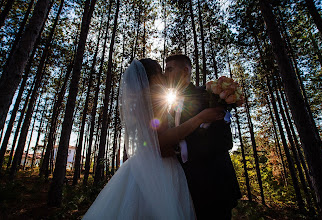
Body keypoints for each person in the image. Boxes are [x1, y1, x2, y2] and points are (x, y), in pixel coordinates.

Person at [83, 58, 224, 219]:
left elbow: (152, 138)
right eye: (160, 71)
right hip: (160, 169)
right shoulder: (154, 100)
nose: (164, 75)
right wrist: (199, 118)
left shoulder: (143, 101)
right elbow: (161, 139)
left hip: (145, 164)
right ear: (152, 77)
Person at [164, 54, 242, 220]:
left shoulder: (209, 95)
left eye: (169, 69)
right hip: (188, 187)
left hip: (214, 185)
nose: (165, 74)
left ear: (185, 71)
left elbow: (224, 140)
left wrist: (185, 150)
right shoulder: (172, 106)